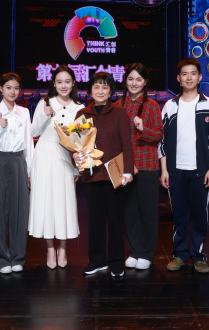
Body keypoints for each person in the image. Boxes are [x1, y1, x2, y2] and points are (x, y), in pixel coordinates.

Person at [159, 58, 209, 274]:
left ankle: (198, 255)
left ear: (200, 77)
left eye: (193, 73)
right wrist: (164, 170)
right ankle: (179, 255)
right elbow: (162, 141)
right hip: (175, 170)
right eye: (184, 74)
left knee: (199, 215)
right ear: (178, 78)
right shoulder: (170, 106)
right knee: (179, 215)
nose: (189, 78)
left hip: (201, 171)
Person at [73, 72, 134, 278]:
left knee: (115, 220)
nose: (100, 91)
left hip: (114, 174)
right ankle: (96, 260)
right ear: (90, 90)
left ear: (111, 91)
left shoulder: (119, 112)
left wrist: (128, 171)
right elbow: (76, 144)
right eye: (96, 87)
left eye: (105, 87)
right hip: (91, 174)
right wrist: (75, 155)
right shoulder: (82, 113)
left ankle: (116, 261)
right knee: (95, 220)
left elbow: (127, 144)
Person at [0, 73, 34, 274]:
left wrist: (30, 171)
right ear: (1, 89)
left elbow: (28, 143)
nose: (13, 92)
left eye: (16, 88)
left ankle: (18, 257)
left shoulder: (24, 112)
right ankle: (1, 259)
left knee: (20, 210)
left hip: (18, 161)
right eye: (9, 87)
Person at [29, 65, 84, 269]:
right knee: (46, 203)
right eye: (59, 82)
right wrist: (44, 115)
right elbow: (33, 131)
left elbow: (80, 141)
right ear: (53, 83)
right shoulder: (45, 103)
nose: (63, 86)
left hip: (66, 158)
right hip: (44, 155)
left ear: (73, 83)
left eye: (67, 82)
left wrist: (77, 168)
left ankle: (63, 248)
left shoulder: (79, 108)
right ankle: (50, 248)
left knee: (64, 202)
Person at [118, 63, 163, 271]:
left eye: (138, 79)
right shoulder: (118, 105)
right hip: (125, 166)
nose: (134, 83)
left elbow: (159, 134)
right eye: (130, 79)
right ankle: (134, 251)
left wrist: (143, 128)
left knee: (147, 211)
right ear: (125, 81)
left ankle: (146, 253)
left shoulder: (152, 105)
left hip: (146, 165)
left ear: (145, 82)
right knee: (129, 211)